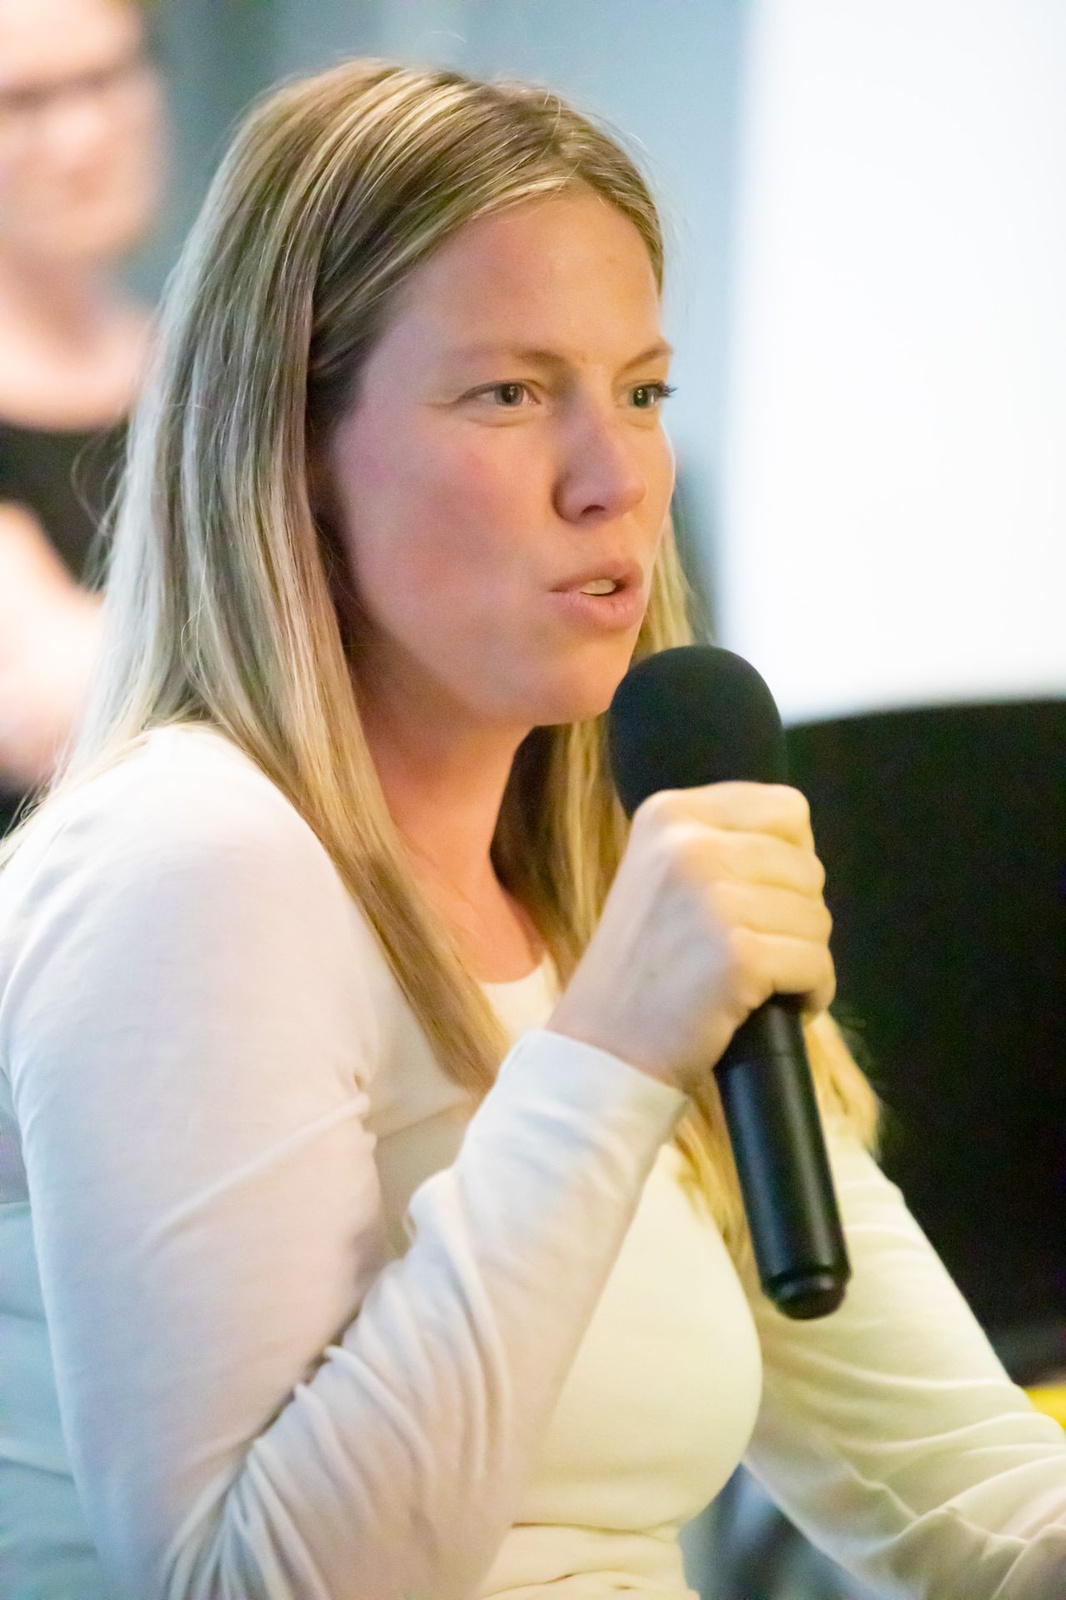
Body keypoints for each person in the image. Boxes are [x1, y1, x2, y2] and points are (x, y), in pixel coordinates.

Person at [0, 58, 1062, 1600]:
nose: (611, 478)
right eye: (508, 392)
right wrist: (608, 1059)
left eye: (641, 392)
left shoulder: (600, 901)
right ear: (291, 448)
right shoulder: (192, 859)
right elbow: (250, 1581)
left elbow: (970, 1501)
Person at [0, 0, 163, 830]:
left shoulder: (203, 369)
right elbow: (57, 703)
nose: (81, 140)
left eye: (104, 78)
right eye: (19, 102)